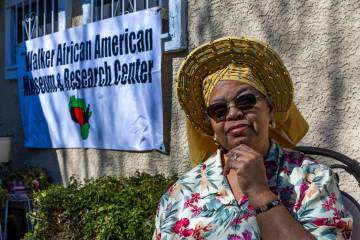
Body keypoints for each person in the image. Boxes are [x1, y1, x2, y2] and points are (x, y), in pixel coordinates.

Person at [153, 37, 353, 240]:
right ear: (211, 126)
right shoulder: (180, 194)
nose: (233, 114)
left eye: (245, 101)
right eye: (219, 110)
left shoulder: (312, 179)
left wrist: (260, 193)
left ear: (271, 110)